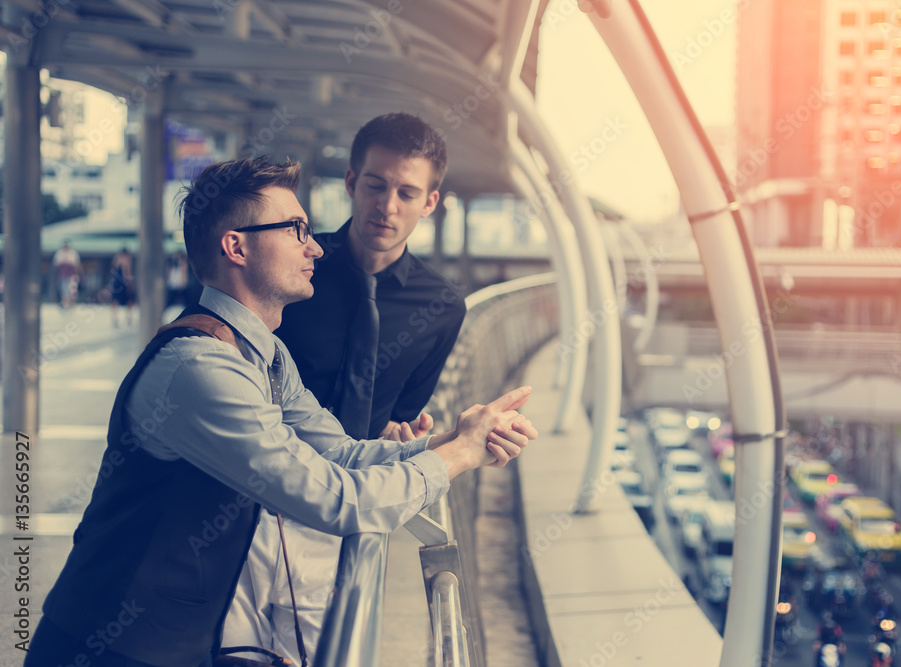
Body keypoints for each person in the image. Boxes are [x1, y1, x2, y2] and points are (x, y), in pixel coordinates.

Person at [26, 157, 538, 667]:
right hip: (107, 648)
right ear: (236, 245)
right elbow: (341, 503)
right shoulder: (199, 370)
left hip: (181, 645)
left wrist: (450, 439)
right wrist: (462, 456)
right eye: (296, 230)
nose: (315, 246)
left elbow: (340, 452)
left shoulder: (265, 353)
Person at [223, 113, 464, 661]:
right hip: (255, 493)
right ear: (352, 182)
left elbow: (399, 413)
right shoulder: (292, 270)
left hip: (345, 502)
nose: (388, 205)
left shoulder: (442, 308)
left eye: (407, 192)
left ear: (430, 202)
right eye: (376, 185)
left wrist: (404, 434)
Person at [110, 246, 136, 326]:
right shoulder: (127, 259)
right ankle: (129, 318)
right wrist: (130, 284)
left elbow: (113, 270)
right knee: (129, 300)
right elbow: (127, 272)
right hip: (124, 282)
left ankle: (115, 318)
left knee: (115, 301)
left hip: (116, 282)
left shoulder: (116, 258)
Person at [53, 240, 81, 308]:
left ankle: (71, 302)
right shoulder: (59, 253)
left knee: (72, 289)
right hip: (63, 274)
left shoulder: (73, 253)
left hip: (72, 274)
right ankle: (64, 301)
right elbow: (56, 264)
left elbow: (77, 265)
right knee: (63, 288)